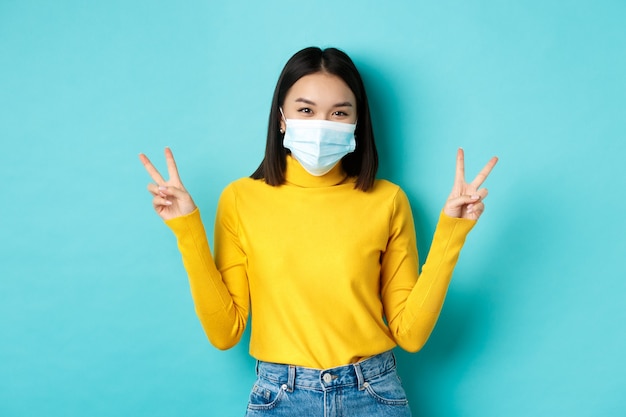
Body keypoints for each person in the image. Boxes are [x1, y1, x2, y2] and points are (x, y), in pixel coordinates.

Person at [139, 46, 497, 417]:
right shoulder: (241, 199)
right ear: (281, 117)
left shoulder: (387, 200)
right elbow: (225, 331)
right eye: (306, 110)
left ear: (357, 122)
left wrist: (453, 231)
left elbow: (411, 334)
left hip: (373, 394)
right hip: (280, 397)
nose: (321, 124)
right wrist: (187, 228)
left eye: (339, 112)